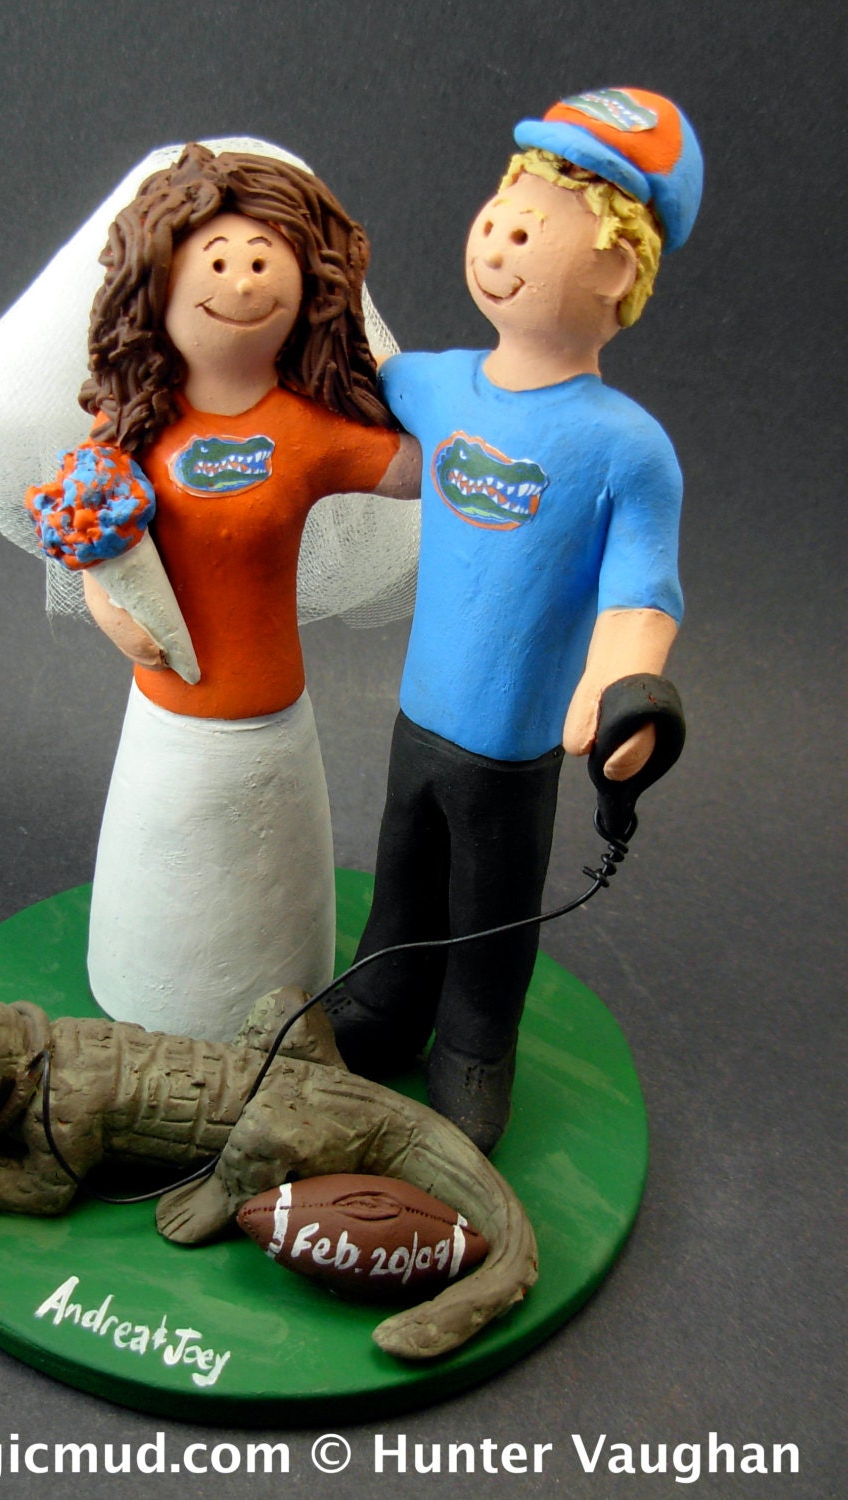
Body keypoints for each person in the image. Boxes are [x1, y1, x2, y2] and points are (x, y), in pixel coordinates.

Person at [326, 88, 703, 1152]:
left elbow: (641, 595)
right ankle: (380, 1007)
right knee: (402, 878)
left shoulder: (627, 448)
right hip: (417, 719)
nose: (495, 246)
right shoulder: (436, 386)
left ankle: (473, 1051)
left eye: (528, 234)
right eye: (495, 220)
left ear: (615, 270)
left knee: (491, 915)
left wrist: (620, 695)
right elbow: (353, 391)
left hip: (513, 751)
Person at [30, 143, 419, 1041]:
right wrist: (108, 607)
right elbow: (90, 535)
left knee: (271, 912)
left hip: (273, 722)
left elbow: (412, 470)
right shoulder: (133, 425)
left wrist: (476, 414)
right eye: (214, 262)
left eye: (261, 259)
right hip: (168, 721)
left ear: (309, 286)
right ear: (154, 288)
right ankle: (147, 993)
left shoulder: (306, 430)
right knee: (163, 901)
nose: (239, 281)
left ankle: (277, 1002)